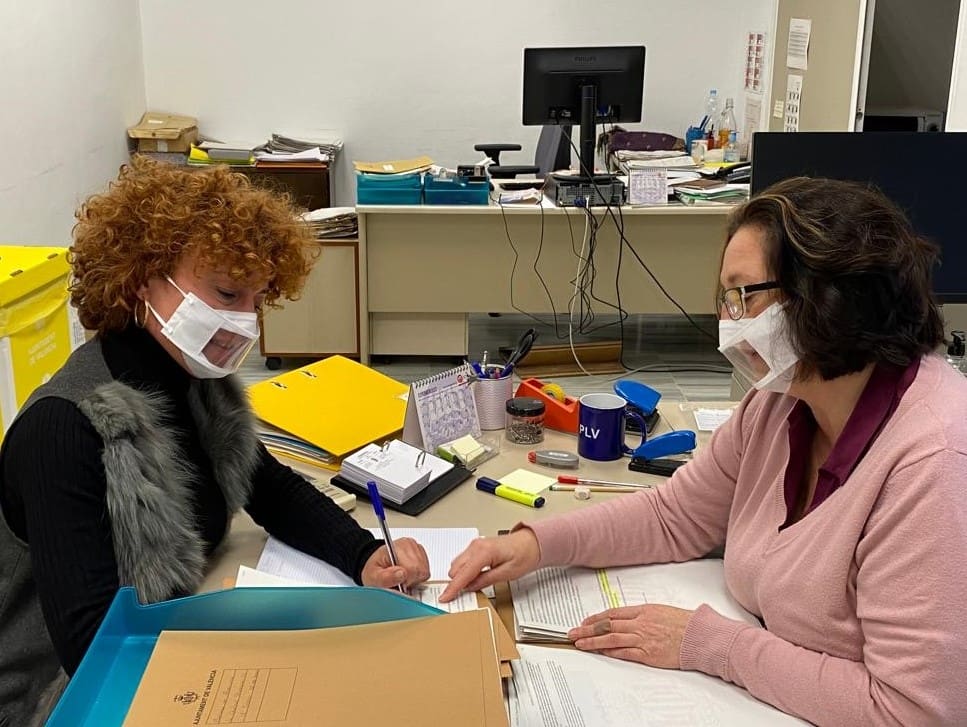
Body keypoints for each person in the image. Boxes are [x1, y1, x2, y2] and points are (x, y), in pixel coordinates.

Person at [441, 177, 967, 725]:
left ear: (830, 296)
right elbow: (675, 517)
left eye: (745, 296)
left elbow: (912, 712)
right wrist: (536, 545)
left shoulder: (935, 464)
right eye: (725, 299)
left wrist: (711, 644)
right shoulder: (781, 402)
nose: (728, 322)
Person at [0, 157, 431, 725]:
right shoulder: (63, 428)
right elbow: (93, 645)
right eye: (227, 293)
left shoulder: (195, 378)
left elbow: (268, 485)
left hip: (171, 632)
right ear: (142, 277)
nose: (246, 322)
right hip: (54, 693)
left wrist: (362, 554)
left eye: (257, 299)